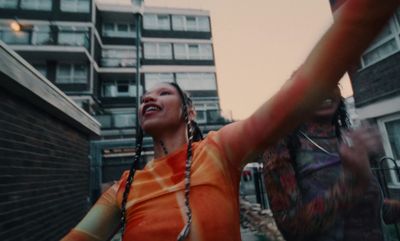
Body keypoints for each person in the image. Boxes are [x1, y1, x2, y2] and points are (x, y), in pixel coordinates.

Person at [61, 1, 400, 240]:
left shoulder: (220, 150)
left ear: (188, 112)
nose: (150, 97)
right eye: (146, 96)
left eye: (164, 93)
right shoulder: (124, 187)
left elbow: (303, 87)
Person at [263, 87, 400, 241]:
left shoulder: (349, 140)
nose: (325, 89)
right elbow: (291, 226)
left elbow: (370, 209)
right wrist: (350, 183)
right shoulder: (281, 147)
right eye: (315, 84)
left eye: (332, 82)